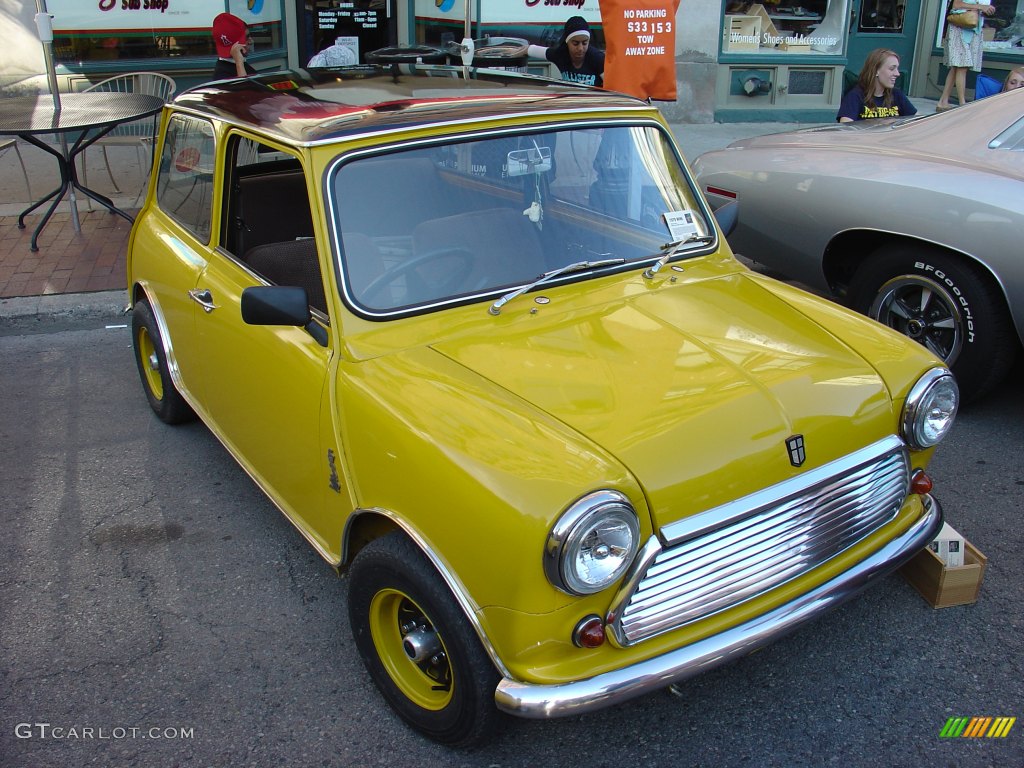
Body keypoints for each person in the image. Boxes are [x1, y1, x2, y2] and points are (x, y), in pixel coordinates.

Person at [936, 0, 997, 111]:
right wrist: (980, 7)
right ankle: (962, 104)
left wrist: (984, 9)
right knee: (962, 67)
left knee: (956, 67)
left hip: (971, 28)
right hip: (960, 28)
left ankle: (943, 101)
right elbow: (956, 5)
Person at [837, 49, 917, 122]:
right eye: (892, 69)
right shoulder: (855, 96)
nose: (897, 74)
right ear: (876, 71)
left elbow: (918, 121)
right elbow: (846, 127)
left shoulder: (897, 95)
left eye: (897, 69)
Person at [527, 16, 604, 88]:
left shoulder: (598, 59)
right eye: (575, 43)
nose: (580, 48)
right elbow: (531, 50)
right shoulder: (560, 54)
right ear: (567, 41)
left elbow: (613, 89)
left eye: (584, 43)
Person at [212, 12, 256, 80]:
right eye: (246, 38)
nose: (251, 41)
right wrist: (239, 63)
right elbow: (245, 88)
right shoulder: (222, 76)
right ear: (235, 46)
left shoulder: (239, 63)